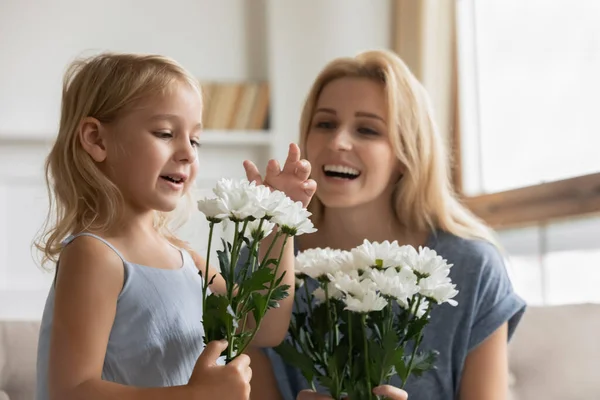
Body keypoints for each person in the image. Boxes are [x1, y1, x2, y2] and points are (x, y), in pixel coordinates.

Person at [242, 49, 527, 400]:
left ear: (406, 153)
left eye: (367, 129)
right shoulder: (263, 261)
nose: (338, 142)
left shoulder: (473, 267)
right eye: (325, 124)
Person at [34, 52, 316, 400]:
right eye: (165, 133)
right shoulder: (94, 254)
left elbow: (261, 327)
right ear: (96, 139)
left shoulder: (184, 257)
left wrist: (280, 221)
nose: (187, 152)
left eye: (195, 140)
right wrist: (194, 395)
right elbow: (72, 391)